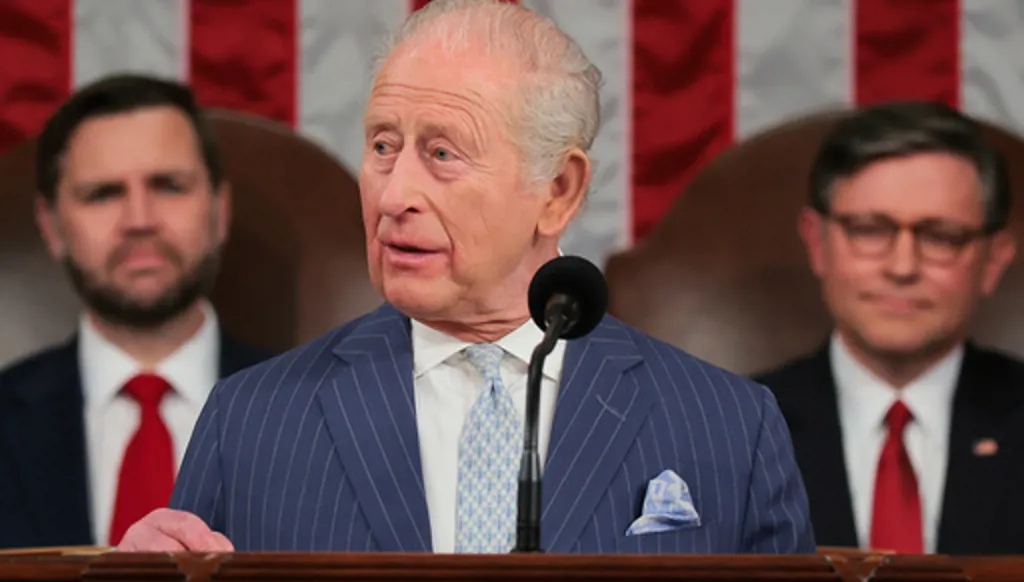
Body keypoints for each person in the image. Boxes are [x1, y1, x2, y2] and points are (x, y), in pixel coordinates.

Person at [118, 0, 814, 554]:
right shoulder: (251, 423)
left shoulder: (727, 427)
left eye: (443, 153)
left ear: (559, 190)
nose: (393, 197)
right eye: (383, 146)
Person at [0, 74, 273, 549]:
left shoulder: (320, 414)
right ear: (51, 226)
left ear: (220, 209)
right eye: (103, 193)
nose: (140, 220)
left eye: (169, 186)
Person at [755, 101, 1024, 555]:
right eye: (869, 229)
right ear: (817, 242)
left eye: (941, 236)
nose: (902, 267)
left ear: (994, 260)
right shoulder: (737, 429)